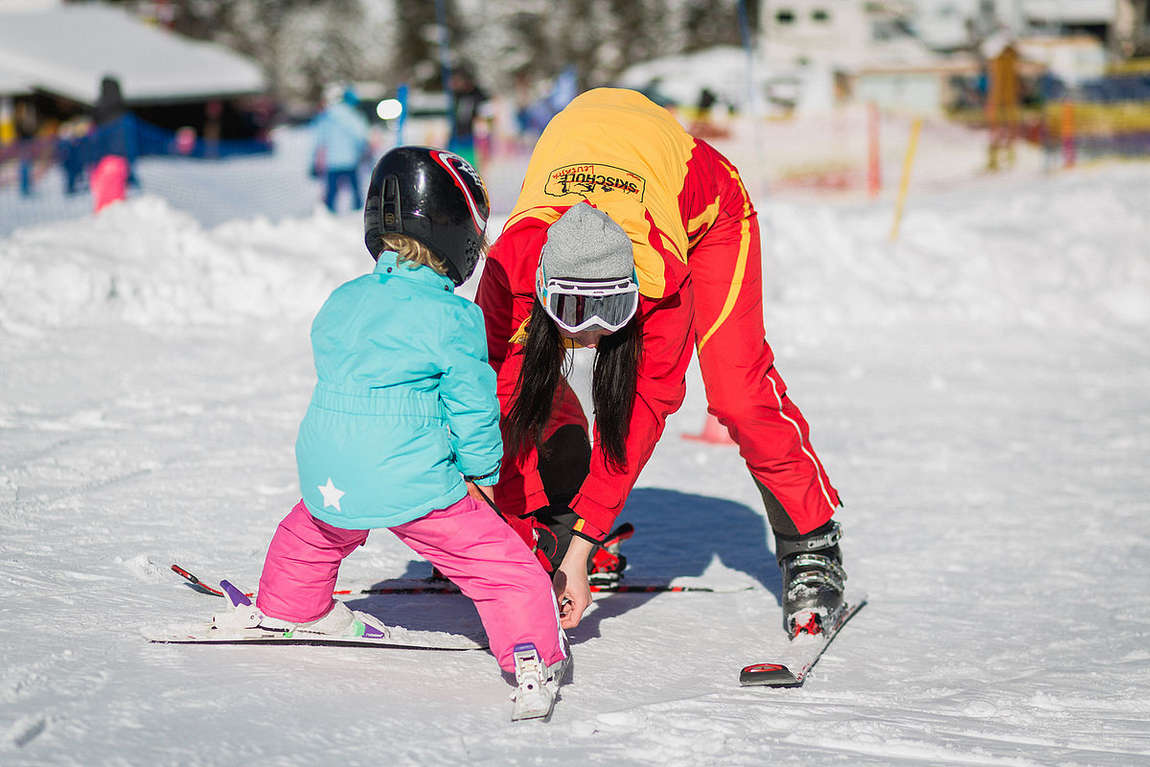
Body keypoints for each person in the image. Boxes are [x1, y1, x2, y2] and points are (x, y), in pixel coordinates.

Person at [475, 87, 846, 638]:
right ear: (544, 287)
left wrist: (582, 545)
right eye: (576, 313)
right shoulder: (511, 268)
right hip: (595, 175)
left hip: (701, 209)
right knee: (518, 391)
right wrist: (507, 539)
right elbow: (488, 403)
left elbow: (641, 416)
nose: (594, 336)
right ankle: (543, 526)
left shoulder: (659, 286)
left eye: (611, 314)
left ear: (633, 294)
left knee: (737, 392)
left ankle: (811, 541)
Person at [245, 146, 569, 712]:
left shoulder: (342, 299)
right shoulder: (453, 317)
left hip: (329, 471)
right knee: (502, 567)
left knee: (314, 532)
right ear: (459, 233)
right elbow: (472, 406)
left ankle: (289, 605)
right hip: (414, 481)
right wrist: (481, 474)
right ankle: (532, 653)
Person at [311, 87, 369, 213]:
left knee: (332, 190)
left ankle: (329, 213)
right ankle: (358, 211)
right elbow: (361, 135)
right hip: (350, 159)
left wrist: (315, 160)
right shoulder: (353, 117)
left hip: (332, 160)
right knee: (355, 189)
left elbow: (318, 139)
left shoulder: (327, 116)